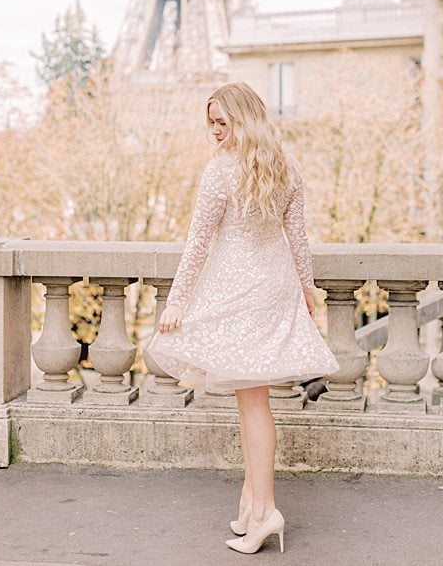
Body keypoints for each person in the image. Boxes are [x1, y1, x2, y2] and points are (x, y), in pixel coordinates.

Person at [145, 82, 338, 555]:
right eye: (209, 122)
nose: (213, 131)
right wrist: (308, 292)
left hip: (241, 294)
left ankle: (265, 512)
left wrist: (176, 301)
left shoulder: (220, 173)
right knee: (249, 400)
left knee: (253, 404)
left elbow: (198, 243)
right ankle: (250, 501)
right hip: (275, 288)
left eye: (221, 122)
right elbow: (298, 241)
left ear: (242, 120)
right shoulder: (285, 168)